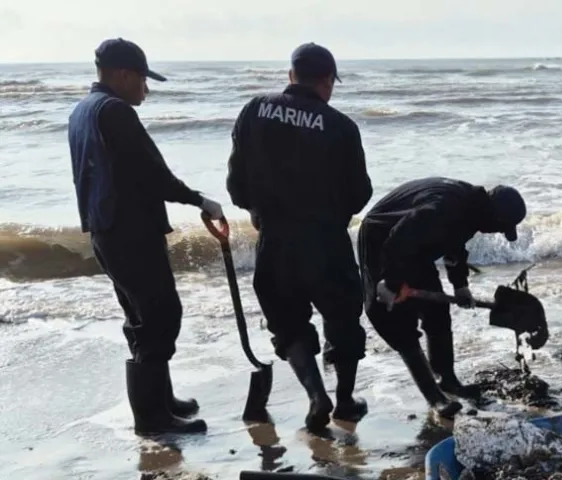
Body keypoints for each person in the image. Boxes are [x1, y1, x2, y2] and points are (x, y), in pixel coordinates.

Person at [68, 38, 223, 436]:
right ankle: (152, 419)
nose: (146, 89)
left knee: (140, 318)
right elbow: (152, 173)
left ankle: (160, 401)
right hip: (130, 231)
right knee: (161, 315)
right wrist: (198, 200)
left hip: (105, 230)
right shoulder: (115, 112)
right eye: (142, 79)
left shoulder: (82, 111)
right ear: (123, 75)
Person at [225, 42, 374, 431]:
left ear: (291, 76)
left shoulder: (255, 110)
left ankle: (314, 395)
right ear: (327, 81)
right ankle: (344, 401)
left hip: (274, 239)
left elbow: (236, 182)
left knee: (288, 322)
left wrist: (255, 209)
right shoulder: (341, 127)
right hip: (326, 240)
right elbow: (360, 193)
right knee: (342, 319)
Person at [360, 177, 527, 418]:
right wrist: (391, 282)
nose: (499, 233)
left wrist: (460, 286)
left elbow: (454, 244)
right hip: (382, 240)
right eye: (502, 227)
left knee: (436, 312)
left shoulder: (471, 209)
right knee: (396, 322)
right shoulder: (443, 208)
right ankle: (435, 398)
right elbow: (399, 238)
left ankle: (447, 380)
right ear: (493, 217)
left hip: (414, 248)